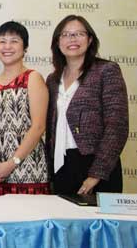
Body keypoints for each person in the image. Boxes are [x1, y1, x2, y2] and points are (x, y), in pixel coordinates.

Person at [46, 15, 128, 195]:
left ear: (90, 39)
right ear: (57, 42)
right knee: (65, 223)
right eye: (66, 34)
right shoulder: (52, 80)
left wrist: (96, 174)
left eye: (78, 34)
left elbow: (117, 127)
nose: (72, 39)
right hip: (61, 165)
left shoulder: (106, 71)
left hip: (97, 166)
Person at [0, 21, 50, 196]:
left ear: (25, 48)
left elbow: (39, 126)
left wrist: (12, 163)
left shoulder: (32, 78)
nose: (7, 46)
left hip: (27, 171)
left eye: (14, 41)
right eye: (2, 41)